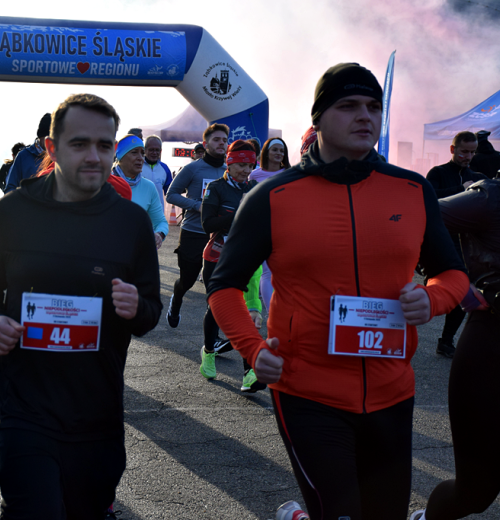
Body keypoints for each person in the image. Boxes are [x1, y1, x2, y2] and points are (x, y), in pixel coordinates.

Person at [206, 63, 468, 519]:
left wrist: (433, 298)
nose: (365, 116)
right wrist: (251, 349)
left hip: (392, 392)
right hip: (308, 392)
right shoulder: (274, 196)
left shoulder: (411, 190)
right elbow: (223, 285)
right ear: (319, 119)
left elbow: (453, 274)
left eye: (373, 107)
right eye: (348, 106)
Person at [0, 93, 161, 519]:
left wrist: (135, 307)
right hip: (26, 408)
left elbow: (150, 310)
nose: (94, 156)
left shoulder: (130, 223)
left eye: (104, 145)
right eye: (79, 144)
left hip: (97, 413)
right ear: (52, 148)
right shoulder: (15, 211)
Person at [410, 169, 500, 519]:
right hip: (497, 348)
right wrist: (458, 286)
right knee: (475, 492)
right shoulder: (496, 197)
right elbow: (413, 221)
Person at [198, 140, 265, 393]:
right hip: (217, 257)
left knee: (249, 311)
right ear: (230, 162)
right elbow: (208, 224)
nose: (246, 170)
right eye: (241, 165)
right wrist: (240, 214)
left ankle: (249, 373)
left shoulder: (255, 187)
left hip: (246, 257)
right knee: (216, 310)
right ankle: (208, 350)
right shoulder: (216, 188)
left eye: (250, 165)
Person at [425, 131, 487, 357]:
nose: (468, 157)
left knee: (464, 290)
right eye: (464, 152)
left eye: (472, 152)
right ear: (453, 150)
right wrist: (462, 190)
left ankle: (446, 340)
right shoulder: (438, 172)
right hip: (438, 241)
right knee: (437, 292)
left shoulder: (478, 176)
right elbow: (429, 196)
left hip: (466, 244)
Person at [165, 123, 228, 336]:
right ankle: (177, 298)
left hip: (219, 235)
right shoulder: (193, 168)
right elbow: (171, 194)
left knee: (215, 286)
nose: (221, 143)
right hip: (193, 231)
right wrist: (197, 205)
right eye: (216, 139)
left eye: (224, 140)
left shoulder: (230, 169)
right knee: (188, 280)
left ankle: (213, 338)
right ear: (205, 143)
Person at [248, 137, 292, 317]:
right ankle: (273, 315)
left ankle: (286, 311)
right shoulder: (254, 175)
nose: (278, 154)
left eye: (281, 151)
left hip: (286, 228)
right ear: (266, 152)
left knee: (285, 272)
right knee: (266, 273)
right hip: (262, 227)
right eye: (275, 150)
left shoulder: (290, 174)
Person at [112, 134, 168, 249]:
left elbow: (161, 222)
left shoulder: (148, 187)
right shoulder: (104, 183)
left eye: (142, 153)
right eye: (134, 152)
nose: (140, 158)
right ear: (120, 156)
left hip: (136, 253)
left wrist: (159, 234)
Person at [3, 113, 51, 193]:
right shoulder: (23, 156)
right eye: (48, 138)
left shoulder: (61, 157)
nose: (50, 142)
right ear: (40, 136)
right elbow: (10, 187)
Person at [141, 135, 172, 213]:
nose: (154, 153)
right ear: (145, 150)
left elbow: (170, 192)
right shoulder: (137, 166)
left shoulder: (165, 168)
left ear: (160, 151)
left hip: (157, 215)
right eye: (151, 150)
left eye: (157, 150)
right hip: (138, 213)